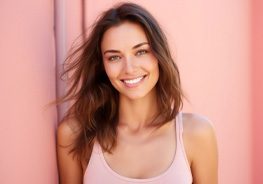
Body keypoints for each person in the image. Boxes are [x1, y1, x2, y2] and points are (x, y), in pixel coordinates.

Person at [56, 2, 218, 184]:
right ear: (102, 66)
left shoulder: (197, 134)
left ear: (159, 55)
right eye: (114, 57)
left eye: (141, 52)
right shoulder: (75, 135)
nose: (129, 68)